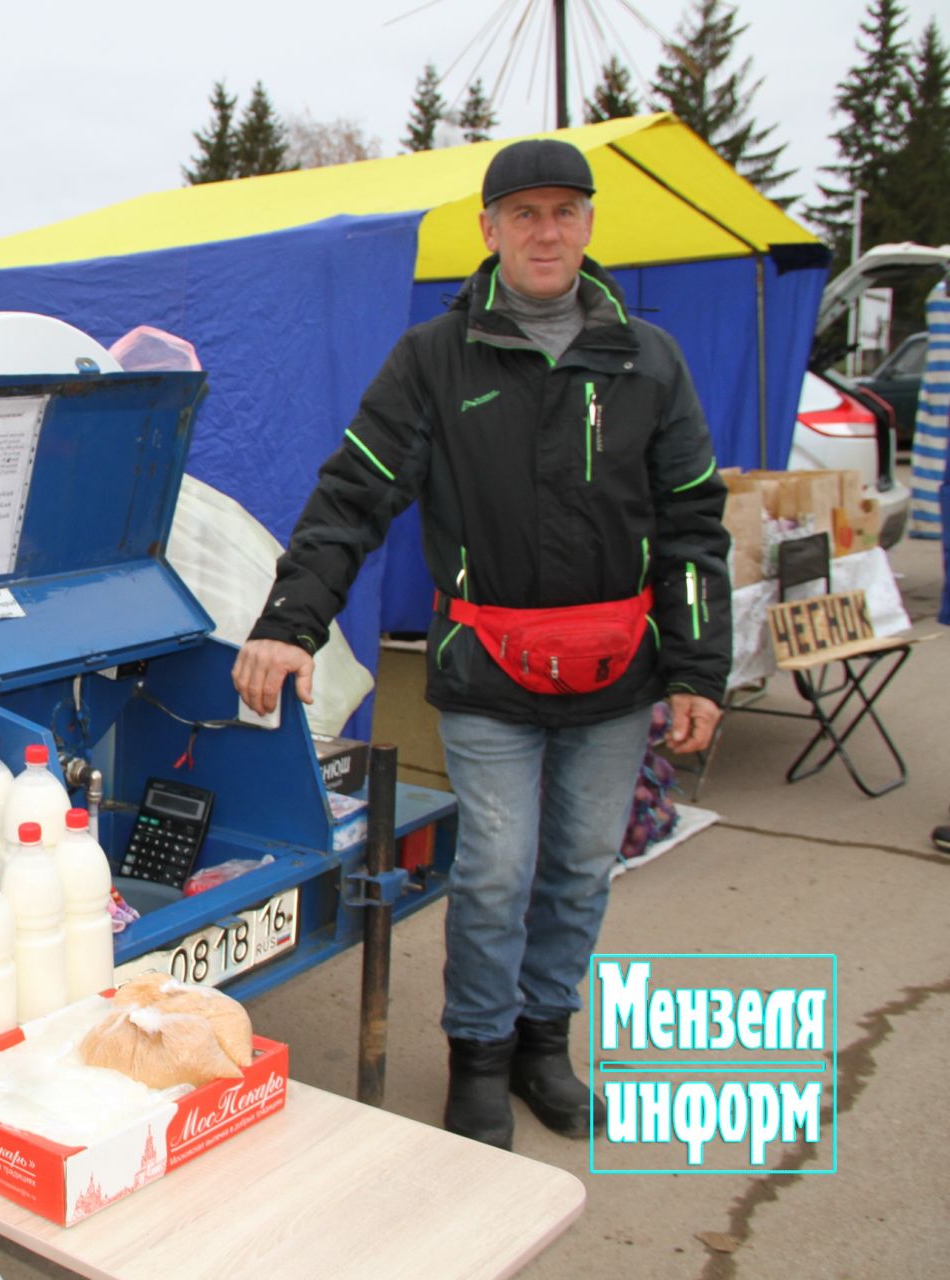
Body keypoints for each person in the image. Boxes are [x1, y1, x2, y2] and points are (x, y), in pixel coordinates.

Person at [231, 138, 731, 1150]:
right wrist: (290, 624)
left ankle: (546, 1040)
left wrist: (697, 667)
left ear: (589, 224)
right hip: (488, 669)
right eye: (524, 213)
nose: (546, 231)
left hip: (618, 671)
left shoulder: (650, 359)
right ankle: (480, 1055)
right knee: (497, 867)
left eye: (564, 212)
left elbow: (691, 521)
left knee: (582, 866)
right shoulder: (434, 358)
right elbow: (351, 496)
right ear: (489, 228)